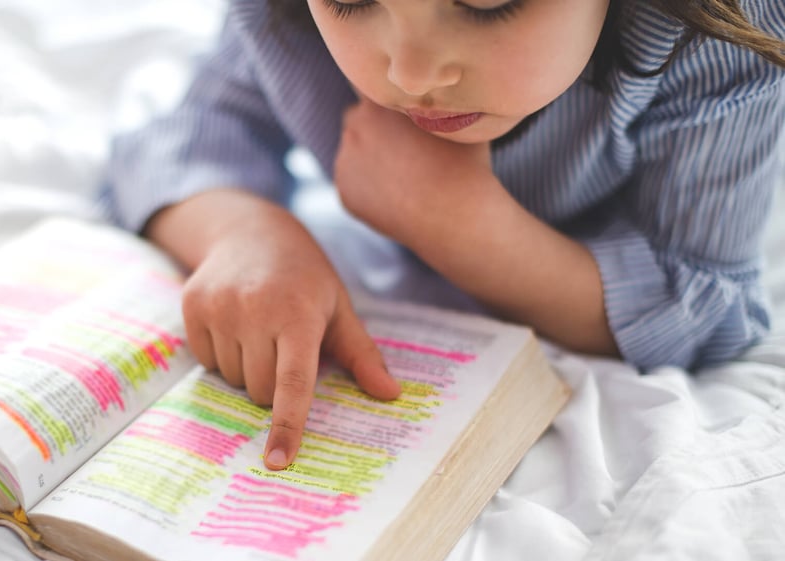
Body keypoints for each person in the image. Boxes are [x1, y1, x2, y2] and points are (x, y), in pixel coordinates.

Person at [105, 0, 785, 470]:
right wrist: (243, 230)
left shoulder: (724, 32)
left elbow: (709, 304)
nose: (411, 74)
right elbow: (186, 132)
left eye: (487, 4)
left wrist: (462, 229)